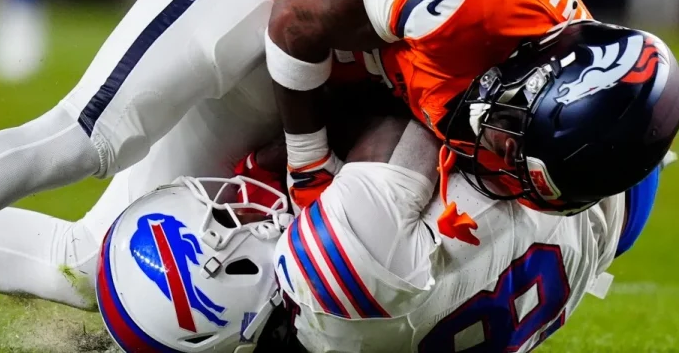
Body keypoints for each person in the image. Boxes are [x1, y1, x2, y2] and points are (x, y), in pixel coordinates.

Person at [0, 0, 675, 263]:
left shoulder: (567, 132)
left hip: (344, 71)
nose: (497, 161)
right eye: (513, 141)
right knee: (84, 139)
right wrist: (308, 168)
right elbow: (296, 21)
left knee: (95, 262)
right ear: (540, 71)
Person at [95, 113, 671, 353]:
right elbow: (413, 111)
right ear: (232, 277)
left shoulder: (305, 331)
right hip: (584, 170)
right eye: (224, 222)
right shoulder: (331, 259)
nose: (236, 200)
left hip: (589, 249)